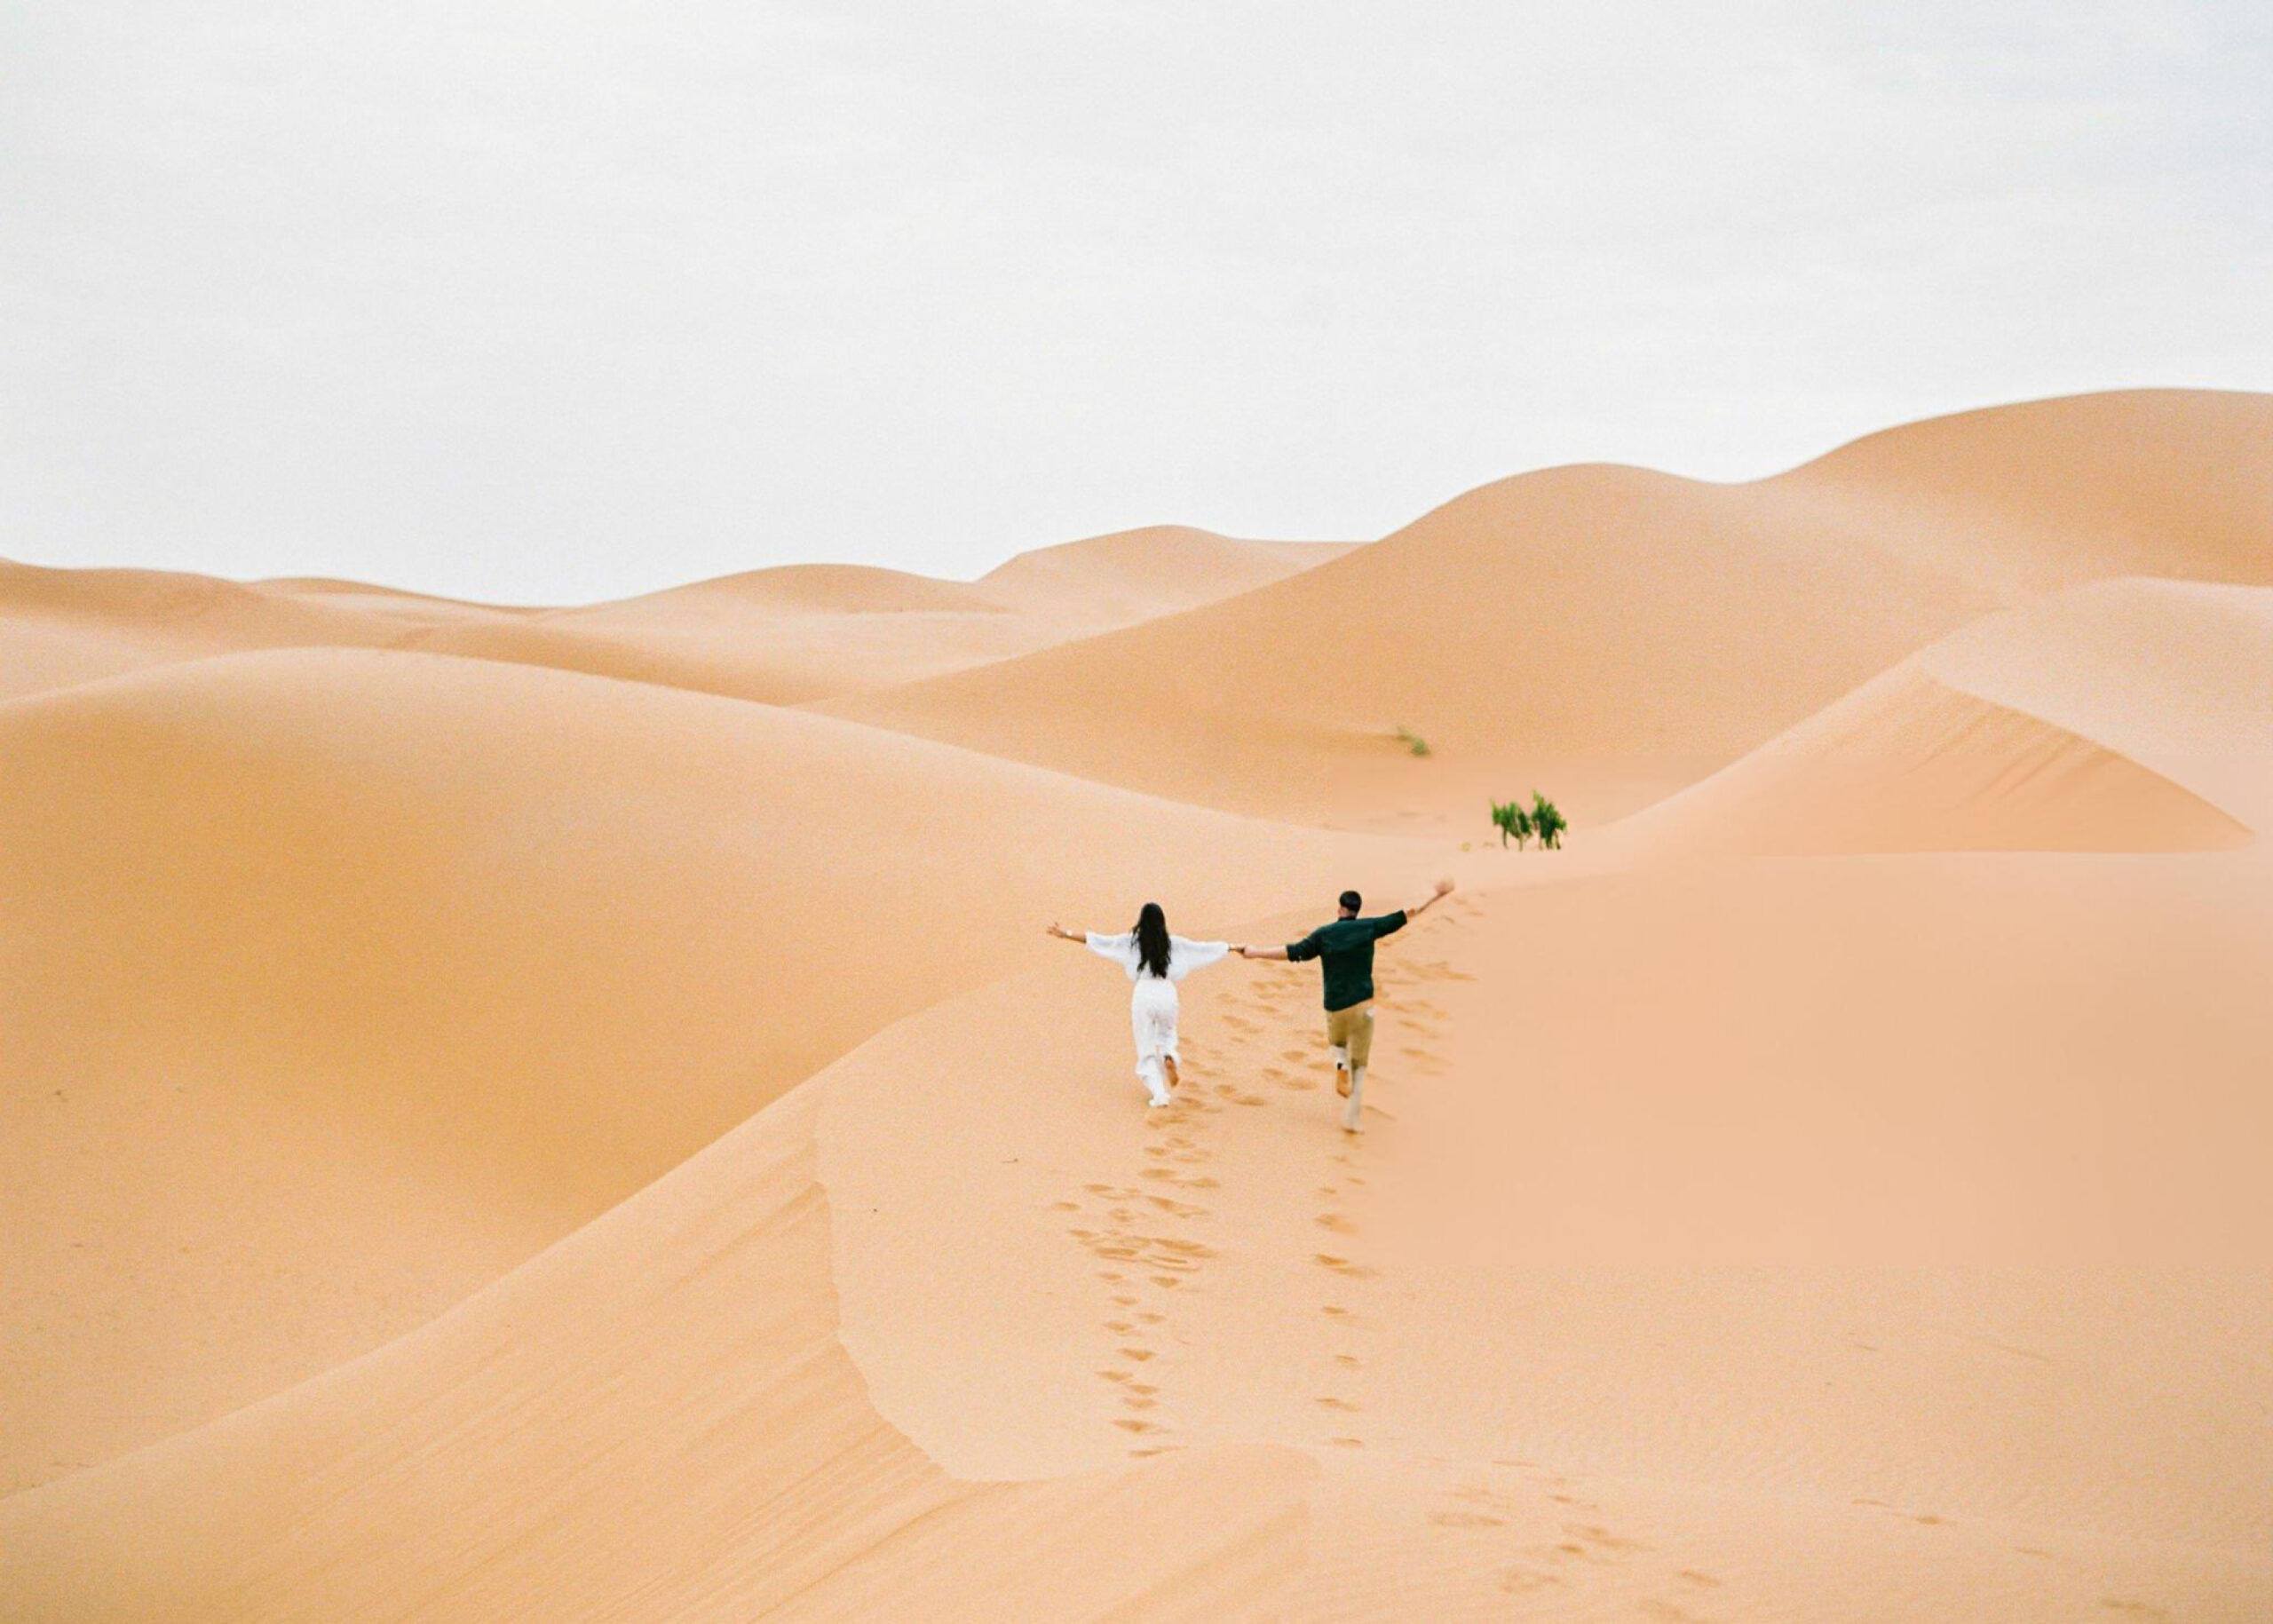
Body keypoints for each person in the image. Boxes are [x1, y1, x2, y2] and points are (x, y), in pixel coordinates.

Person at [1239, 879, 1453, 1131]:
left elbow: (1292, 952)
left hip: (1336, 1007)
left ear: (1340, 909)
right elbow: (1409, 913)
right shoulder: (1370, 927)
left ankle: (1340, 1066)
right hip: (1363, 1005)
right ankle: (1353, 1118)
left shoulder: (1324, 934)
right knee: (1360, 1063)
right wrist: (1436, 896)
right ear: (1357, 911)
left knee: (1338, 1046)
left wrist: (1255, 952)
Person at [1046, 904, 1238, 1108]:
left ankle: (1159, 1094)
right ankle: (1169, 1056)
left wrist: (1065, 934)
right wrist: (1231, 947)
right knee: (1167, 1034)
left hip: (1144, 993)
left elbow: (1099, 941)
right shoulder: (1174, 944)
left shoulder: (1131, 943)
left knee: (1145, 1045)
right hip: (1167, 992)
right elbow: (1203, 949)